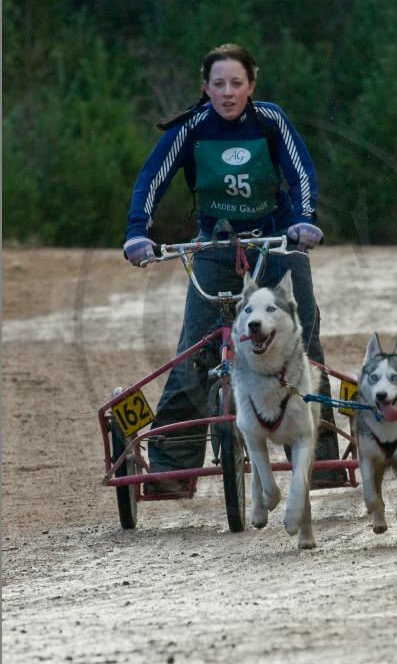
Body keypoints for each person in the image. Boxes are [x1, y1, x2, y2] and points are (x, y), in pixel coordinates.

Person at [124, 43, 344, 493]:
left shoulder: (270, 120)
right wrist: (136, 231)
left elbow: (301, 172)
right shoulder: (191, 127)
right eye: (218, 84)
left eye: (237, 84)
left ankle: (320, 465)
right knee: (195, 349)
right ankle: (173, 472)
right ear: (205, 88)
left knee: (302, 343)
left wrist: (304, 221)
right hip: (216, 243)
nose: (228, 93)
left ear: (251, 87)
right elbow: (152, 178)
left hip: (278, 240)